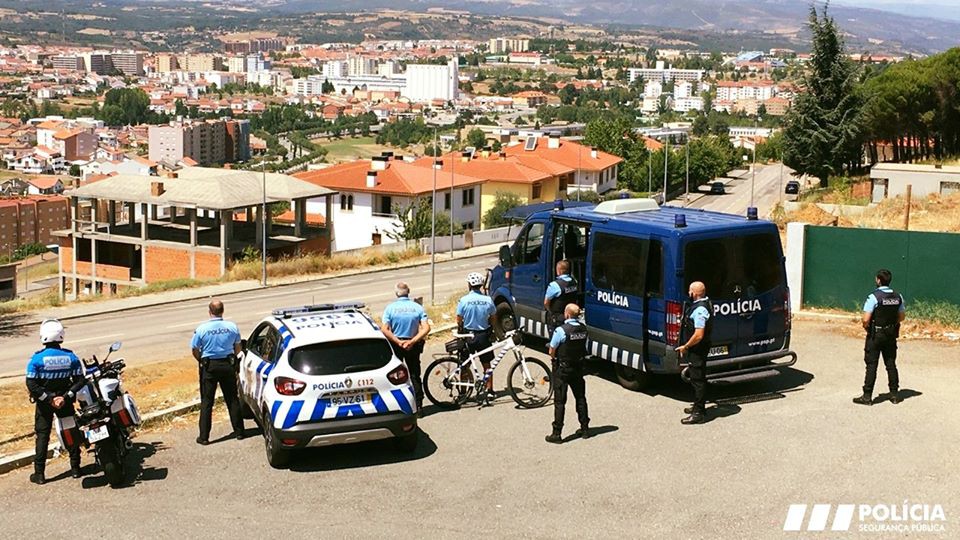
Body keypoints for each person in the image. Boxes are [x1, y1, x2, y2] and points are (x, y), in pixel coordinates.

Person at [25, 319, 85, 485]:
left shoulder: (36, 359)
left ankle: (40, 474)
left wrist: (49, 399)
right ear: (61, 336)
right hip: (65, 401)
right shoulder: (71, 357)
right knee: (70, 431)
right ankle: (75, 469)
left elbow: (31, 384)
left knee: (42, 435)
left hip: (45, 404)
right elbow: (80, 380)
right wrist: (64, 397)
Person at [191, 300, 244, 445]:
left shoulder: (202, 329)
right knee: (232, 399)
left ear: (209, 312)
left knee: (207, 402)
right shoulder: (232, 327)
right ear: (223, 311)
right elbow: (238, 347)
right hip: (227, 364)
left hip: (210, 366)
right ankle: (239, 432)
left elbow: (195, 349)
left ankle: (204, 437)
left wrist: (201, 361)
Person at [854, 269, 906, 406]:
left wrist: (867, 327)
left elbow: (866, 319)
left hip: (876, 335)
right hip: (890, 334)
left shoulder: (874, 297)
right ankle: (894, 395)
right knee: (891, 364)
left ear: (878, 280)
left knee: (872, 365)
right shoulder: (898, 296)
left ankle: (867, 396)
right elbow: (901, 317)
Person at [381, 282, 431, 412]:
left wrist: (398, 341)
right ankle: (419, 405)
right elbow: (426, 328)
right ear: (408, 292)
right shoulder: (417, 308)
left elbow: (384, 329)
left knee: (396, 375)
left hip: (396, 345)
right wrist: (413, 341)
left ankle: (398, 404)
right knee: (414, 374)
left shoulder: (390, 308)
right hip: (412, 345)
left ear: (396, 293)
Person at [545, 304, 590, 444]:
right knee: (580, 398)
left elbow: (552, 350)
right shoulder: (584, 329)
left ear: (567, 315)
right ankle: (585, 429)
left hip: (563, 369)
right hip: (578, 368)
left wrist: (553, 358)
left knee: (559, 402)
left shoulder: (561, 331)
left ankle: (557, 433)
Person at [676, 281, 713, 425]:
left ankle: (698, 413)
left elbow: (699, 335)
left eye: (690, 291)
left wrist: (685, 346)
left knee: (697, 379)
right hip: (700, 348)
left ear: (694, 293)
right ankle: (698, 407)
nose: (688, 294)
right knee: (697, 377)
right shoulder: (706, 303)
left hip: (698, 349)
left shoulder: (699, 310)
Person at [456, 271, 497, 401]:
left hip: (468, 335)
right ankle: (490, 391)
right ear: (480, 285)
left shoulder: (464, 300)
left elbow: (459, 319)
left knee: (464, 364)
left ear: (469, 285)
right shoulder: (488, 300)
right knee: (487, 364)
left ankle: (463, 391)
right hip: (483, 335)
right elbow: (493, 317)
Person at [543, 260, 579, 334]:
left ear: (559, 270)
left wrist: (550, 311)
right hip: (571, 315)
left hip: (558, 317)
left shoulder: (554, 285)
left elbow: (546, 302)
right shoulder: (574, 281)